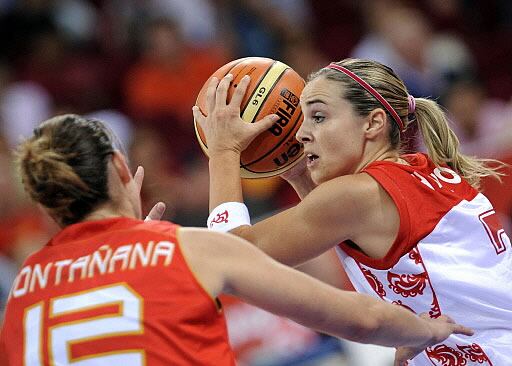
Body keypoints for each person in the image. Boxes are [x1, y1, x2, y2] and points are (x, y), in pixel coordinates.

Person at [0, 115, 471, 366]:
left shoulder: (22, 295)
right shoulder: (185, 248)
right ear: (123, 171)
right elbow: (363, 319)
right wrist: (430, 330)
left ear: (45, 208)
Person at [192, 58, 512, 365]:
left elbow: (230, 258)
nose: (301, 134)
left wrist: (223, 152)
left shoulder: (359, 195)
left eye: (318, 117)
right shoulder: (423, 172)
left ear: (372, 123)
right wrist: (299, 173)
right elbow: (384, 264)